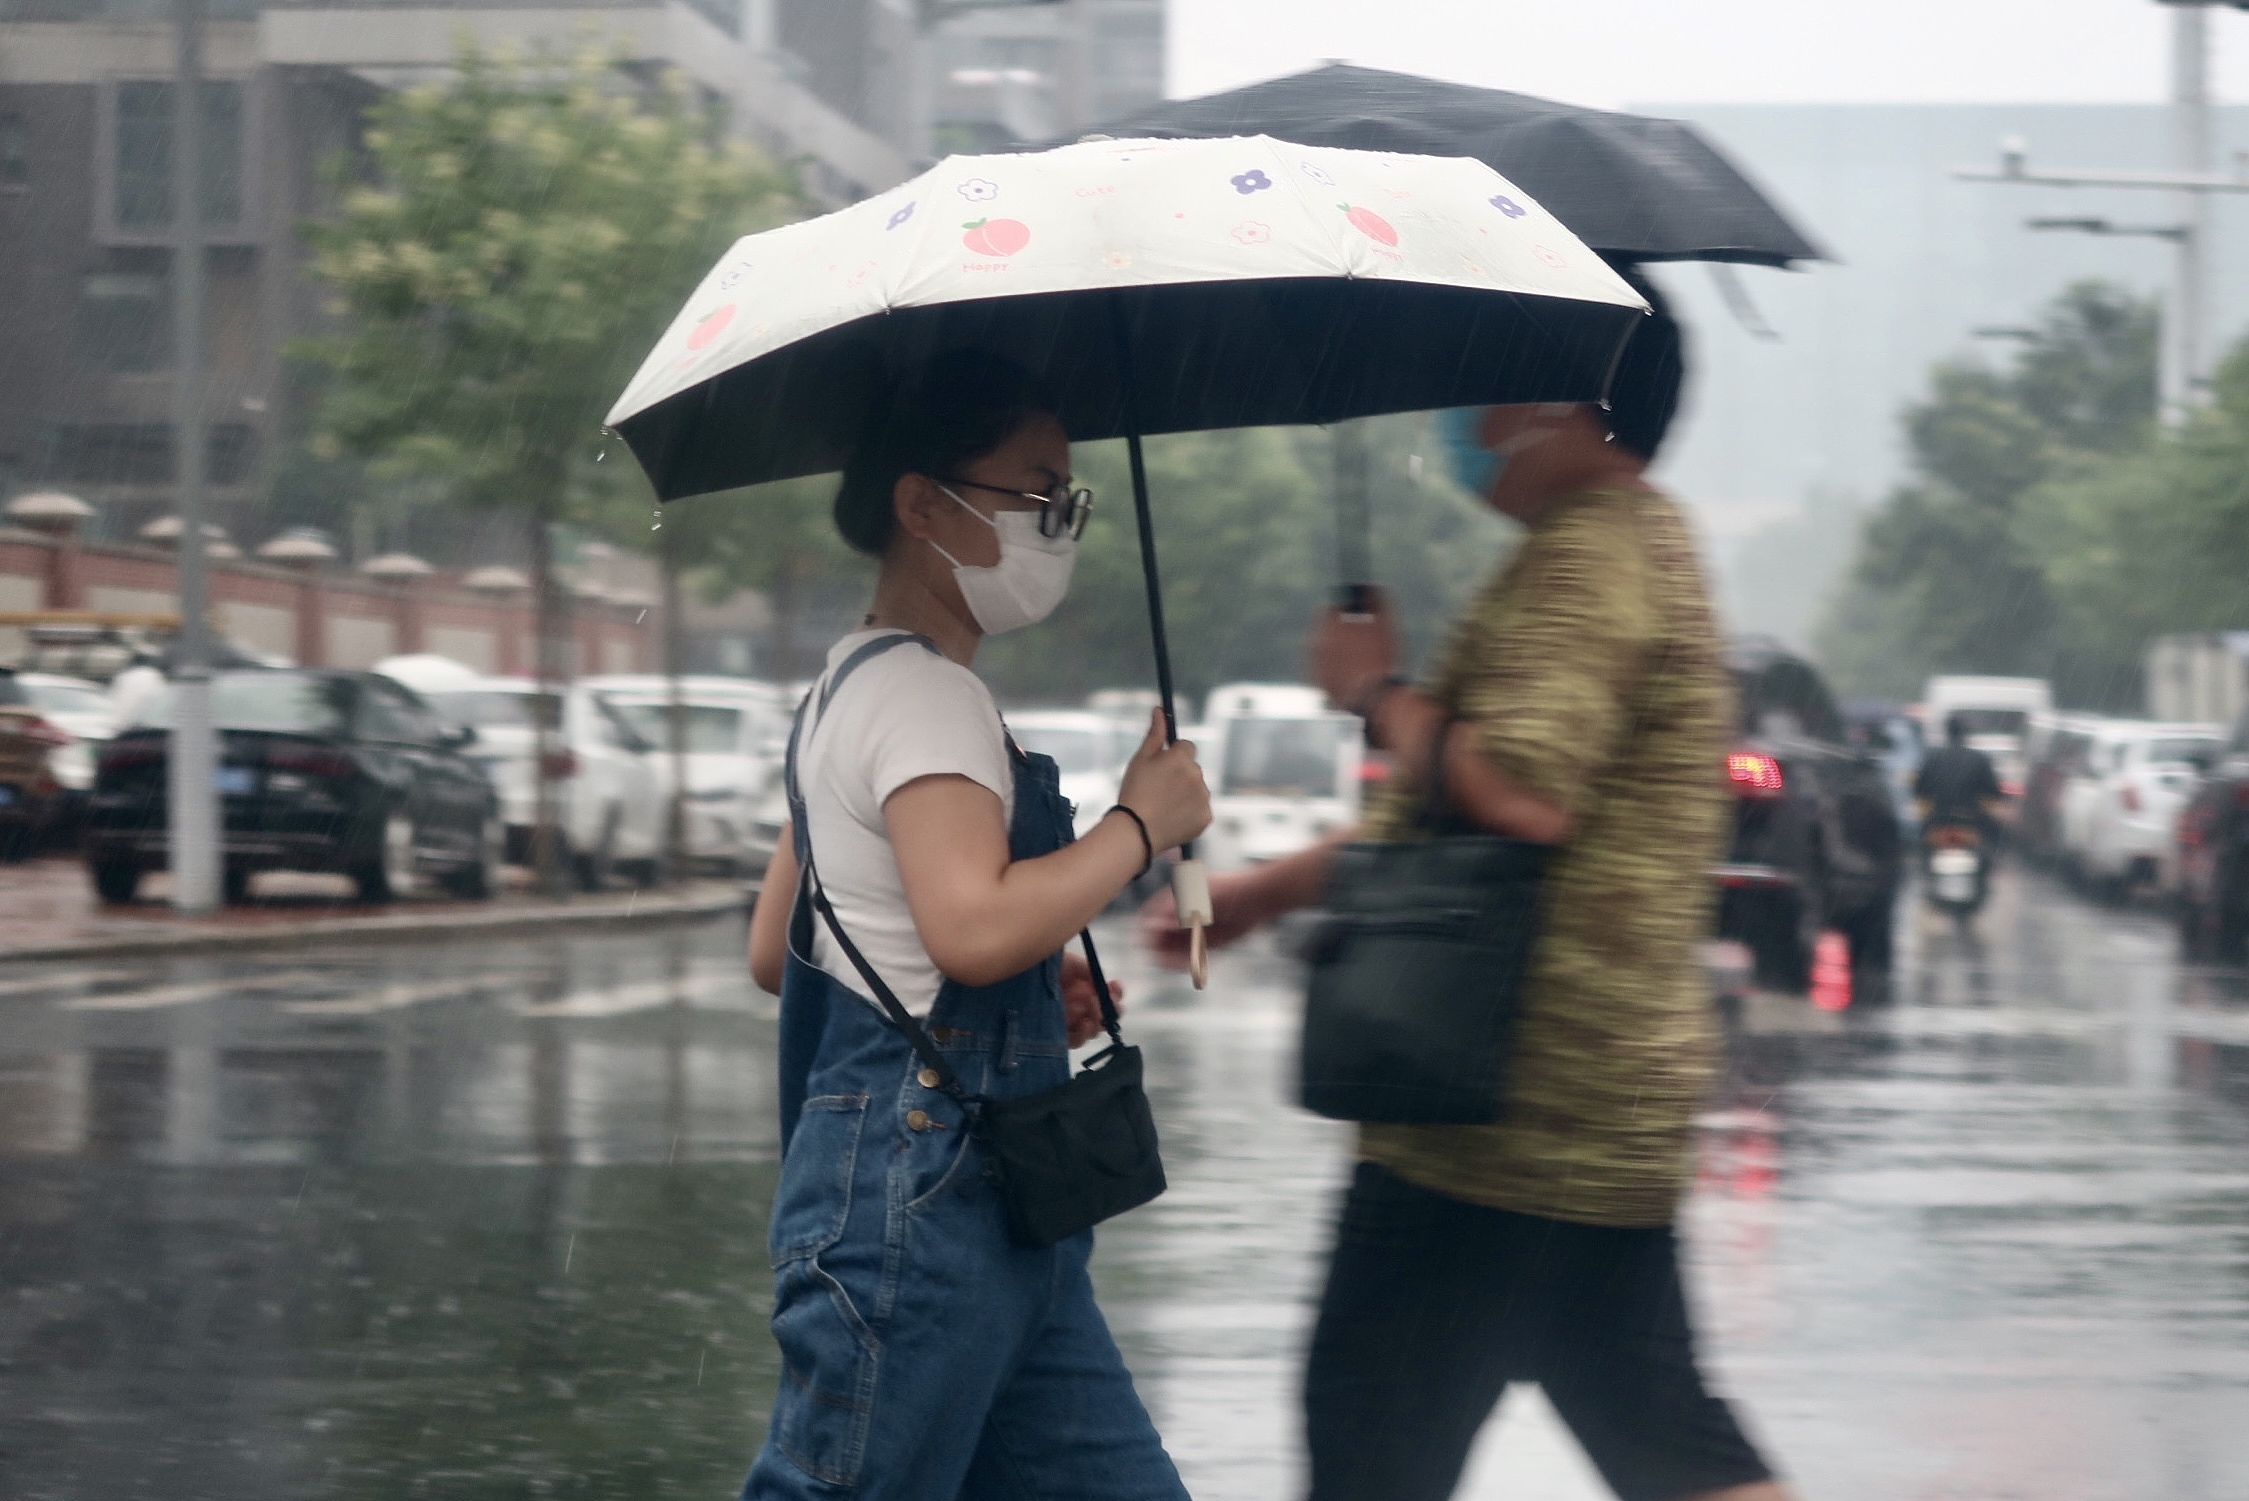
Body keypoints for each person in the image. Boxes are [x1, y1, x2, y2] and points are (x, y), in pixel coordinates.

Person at [1144, 281, 1790, 1501]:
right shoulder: (1620, 544)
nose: (1468, 414)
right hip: (1571, 1097)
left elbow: (1523, 796)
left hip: (1503, 1099)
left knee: (1370, 1428)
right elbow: (1448, 834)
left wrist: (1373, 689)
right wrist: (1255, 897)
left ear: (1563, 400)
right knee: (1654, 1423)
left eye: (1493, 379)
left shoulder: (1591, 557)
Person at [742, 348, 1210, 1501]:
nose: (1060, 522)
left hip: (988, 1207)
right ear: (920, 503)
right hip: (924, 1212)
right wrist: (1136, 828)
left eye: (1071, 500)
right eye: (1035, 490)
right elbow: (965, 929)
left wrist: (1020, 988)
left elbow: (783, 949)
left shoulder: (849, 686)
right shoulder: (930, 697)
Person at [1913, 712, 2004, 831]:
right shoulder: (1979, 759)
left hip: (1939, 818)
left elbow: (1920, 787)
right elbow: (1992, 790)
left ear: (1947, 731)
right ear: (1966, 733)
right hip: (1970, 818)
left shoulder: (1933, 757)